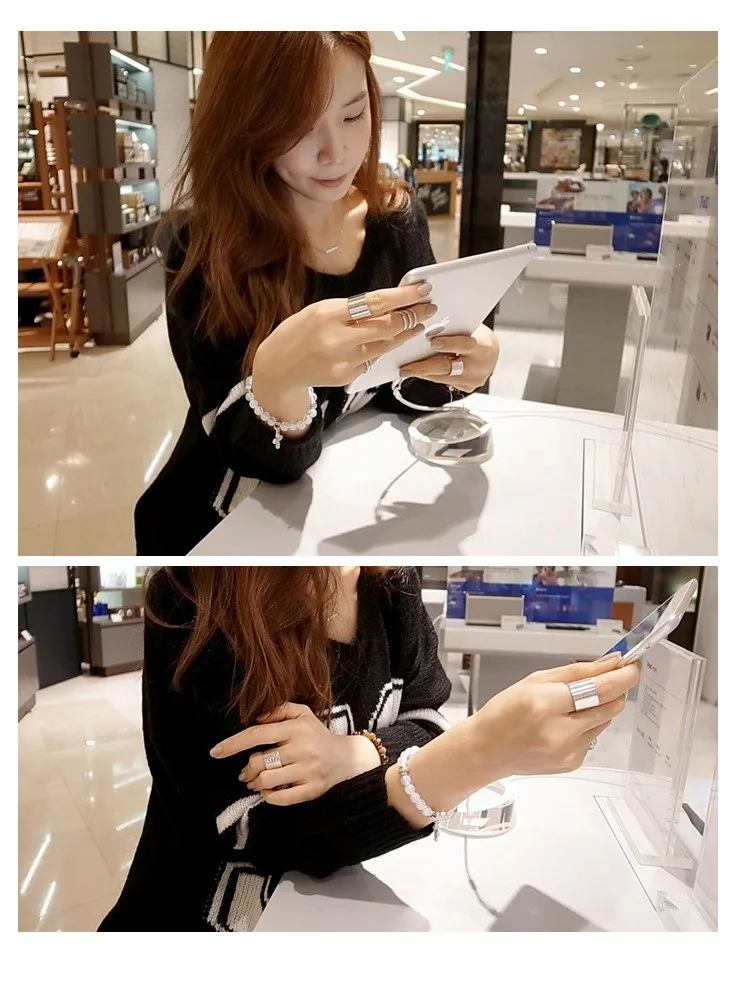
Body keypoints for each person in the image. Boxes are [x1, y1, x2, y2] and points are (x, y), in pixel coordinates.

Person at [98, 565, 638, 931]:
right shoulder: (195, 594)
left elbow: (427, 719)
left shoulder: (390, 583)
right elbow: (275, 831)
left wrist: (353, 752)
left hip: (343, 909)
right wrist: (477, 753)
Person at [134, 32, 499, 554]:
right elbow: (258, 458)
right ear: (244, 123)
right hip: (217, 528)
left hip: (352, 512)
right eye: (297, 127)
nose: (336, 152)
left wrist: (460, 363)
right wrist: (279, 379)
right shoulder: (200, 247)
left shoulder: (395, 220)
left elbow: (402, 389)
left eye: (353, 115)